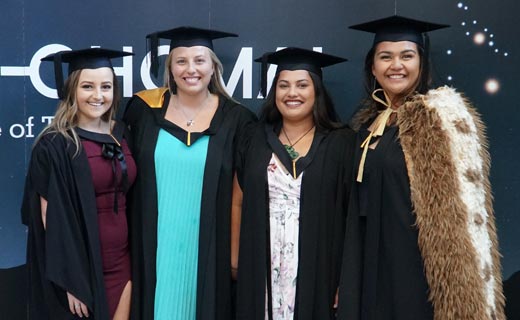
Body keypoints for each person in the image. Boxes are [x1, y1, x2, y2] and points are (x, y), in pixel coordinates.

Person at [337, 15, 505, 320]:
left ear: (421, 63)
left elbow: (461, 214)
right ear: (372, 67)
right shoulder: (367, 126)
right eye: (385, 57)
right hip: (371, 264)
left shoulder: (440, 119)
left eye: (407, 56)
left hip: (416, 270)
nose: (396, 65)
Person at [123, 27, 256, 320]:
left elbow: (243, 194)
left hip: (211, 246)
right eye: (181, 61)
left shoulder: (238, 120)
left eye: (199, 60)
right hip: (155, 244)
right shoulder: (143, 111)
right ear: (170, 68)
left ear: (213, 68)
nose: (190, 69)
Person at [235, 47, 355, 320]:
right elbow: (238, 198)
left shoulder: (341, 142)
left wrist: (344, 280)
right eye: (283, 85)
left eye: (302, 85)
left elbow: (350, 218)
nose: (292, 94)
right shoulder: (254, 138)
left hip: (318, 268)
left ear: (317, 92)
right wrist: (235, 261)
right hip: (261, 265)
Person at [21, 48, 136, 319]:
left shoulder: (123, 134)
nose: (98, 95)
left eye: (106, 86)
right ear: (71, 90)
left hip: (123, 261)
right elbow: (50, 220)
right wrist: (72, 282)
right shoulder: (55, 145)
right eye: (87, 86)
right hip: (81, 267)